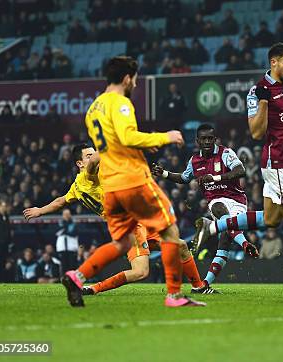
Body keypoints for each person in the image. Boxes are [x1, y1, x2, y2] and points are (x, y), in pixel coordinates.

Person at [39, 56, 203, 307]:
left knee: (122, 242)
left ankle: (78, 275)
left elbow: (112, 146)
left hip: (112, 189)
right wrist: (164, 137)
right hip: (133, 179)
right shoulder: (120, 103)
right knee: (170, 229)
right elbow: (127, 136)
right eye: (135, 79)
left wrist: (138, 147)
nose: (135, 84)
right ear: (127, 78)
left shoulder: (93, 108)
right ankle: (174, 295)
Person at [193, 43, 283, 296]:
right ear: (273, 62)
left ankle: (215, 226)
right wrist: (264, 101)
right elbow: (256, 132)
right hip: (279, 164)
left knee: (273, 219)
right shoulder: (257, 92)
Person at [152, 124, 260, 293]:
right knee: (218, 209)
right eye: (204, 139)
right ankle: (243, 243)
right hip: (215, 200)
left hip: (237, 201)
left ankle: (204, 284)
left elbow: (241, 170)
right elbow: (184, 178)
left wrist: (215, 177)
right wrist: (164, 173)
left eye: (210, 138)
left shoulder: (225, 153)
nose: (208, 141)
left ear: (215, 139)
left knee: (224, 243)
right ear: (197, 141)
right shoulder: (194, 161)